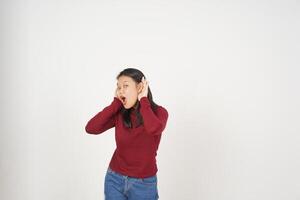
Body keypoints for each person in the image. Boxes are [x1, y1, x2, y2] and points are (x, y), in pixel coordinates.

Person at [85, 68, 169, 200]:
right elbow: (91, 128)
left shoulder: (159, 112)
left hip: (143, 184)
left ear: (140, 87)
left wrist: (143, 100)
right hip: (114, 179)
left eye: (125, 86)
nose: (120, 91)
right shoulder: (120, 113)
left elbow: (153, 128)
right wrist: (115, 103)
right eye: (118, 87)